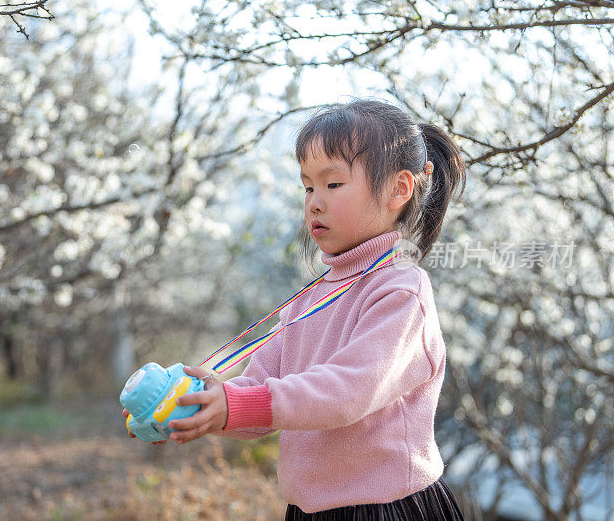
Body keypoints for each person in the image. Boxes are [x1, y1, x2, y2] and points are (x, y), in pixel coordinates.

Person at [123, 97, 467, 519]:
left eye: (333, 184)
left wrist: (238, 405)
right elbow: (261, 391)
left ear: (398, 189)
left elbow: (350, 390)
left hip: (387, 509)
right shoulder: (311, 298)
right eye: (308, 186)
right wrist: (204, 406)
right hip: (310, 511)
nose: (315, 202)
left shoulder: (400, 290)